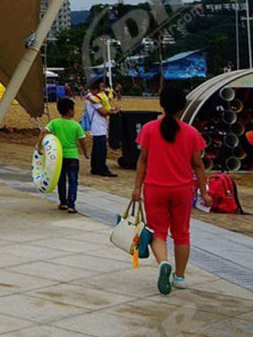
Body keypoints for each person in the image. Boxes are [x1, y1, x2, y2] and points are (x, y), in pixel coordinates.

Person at [131, 87, 210, 294]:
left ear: (161, 104)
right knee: (182, 234)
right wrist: (204, 192)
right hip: (182, 190)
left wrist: (137, 187)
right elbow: (198, 165)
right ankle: (180, 277)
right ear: (183, 107)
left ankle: (163, 263)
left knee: (158, 232)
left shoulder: (149, 129)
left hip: (154, 189)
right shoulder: (191, 133)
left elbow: (143, 161)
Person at [45, 97, 89, 213]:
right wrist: (86, 153)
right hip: (72, 156)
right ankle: (71, 205)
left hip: (59, 156)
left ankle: (63, 202)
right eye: (73, 109)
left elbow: (44, 131)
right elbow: (82, 141)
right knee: (73, 180)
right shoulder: (76, 125)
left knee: (61, 180)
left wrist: (40, 146)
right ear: (70, 111)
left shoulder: (54, 122)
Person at [84, 79, 119, 176]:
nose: (103, 89)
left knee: (96, 148)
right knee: (101, 149)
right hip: (98, 126)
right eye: (101, 87)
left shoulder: (92, 97)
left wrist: (111, 110)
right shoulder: (93, 99)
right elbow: (103, 112)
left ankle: (95, 168)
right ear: (95, 89)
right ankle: (102, 169)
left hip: (97, 125)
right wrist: (113, 112)